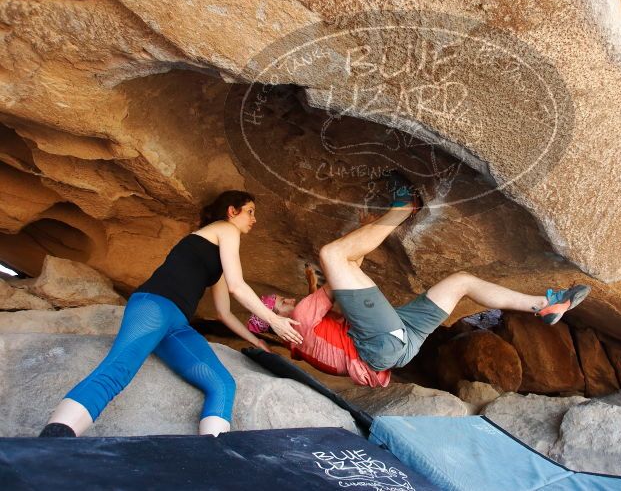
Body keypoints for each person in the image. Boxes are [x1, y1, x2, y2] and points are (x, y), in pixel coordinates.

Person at [247, 179, 590, 387]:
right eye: (278, 305)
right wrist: (375, 225)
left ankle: (544, 305)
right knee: (331, 254)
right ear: (278, 324)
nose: (286, 300)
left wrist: (365, 231)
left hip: (397, 345)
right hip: (379, 346)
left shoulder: (305, 333)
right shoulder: (302, 322)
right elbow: (342, 266)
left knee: (462, 282)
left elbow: (350, 274)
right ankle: (403, 206)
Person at [39, 191, 303, 438]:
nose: (254, 219)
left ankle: (212, 455)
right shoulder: (226, 229)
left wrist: (256, 341)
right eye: (250, 211)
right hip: (154, 305)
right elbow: (238, 286)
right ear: (232, 211)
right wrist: (274, 320)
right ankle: (52, 441)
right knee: (118, 370)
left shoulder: (215, 258)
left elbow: (224, 312)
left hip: (176, 325)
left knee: (222, 384)